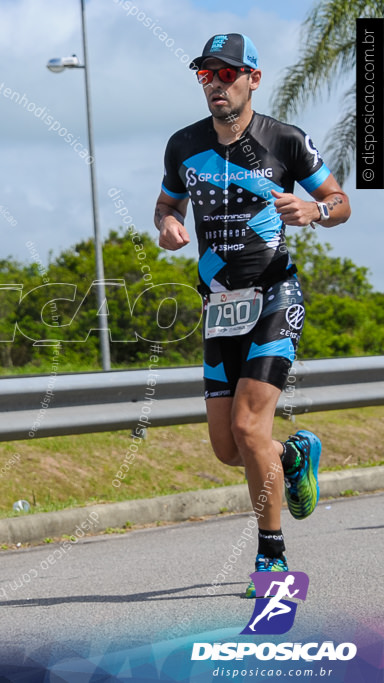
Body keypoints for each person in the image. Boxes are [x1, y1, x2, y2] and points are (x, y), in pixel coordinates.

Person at [154, 33, 350, 597]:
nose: (215, 84)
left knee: (247, 426)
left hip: (273, 298)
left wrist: (314, 209)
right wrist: (167, 223)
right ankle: (294, 453)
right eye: (206, 75)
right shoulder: (182, 144)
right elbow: (168, 202)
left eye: (226, 73)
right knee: (227, 447)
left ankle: (272, 560)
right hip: (218, 308)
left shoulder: (284, 141)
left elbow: (340, 202)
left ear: (252, 79)